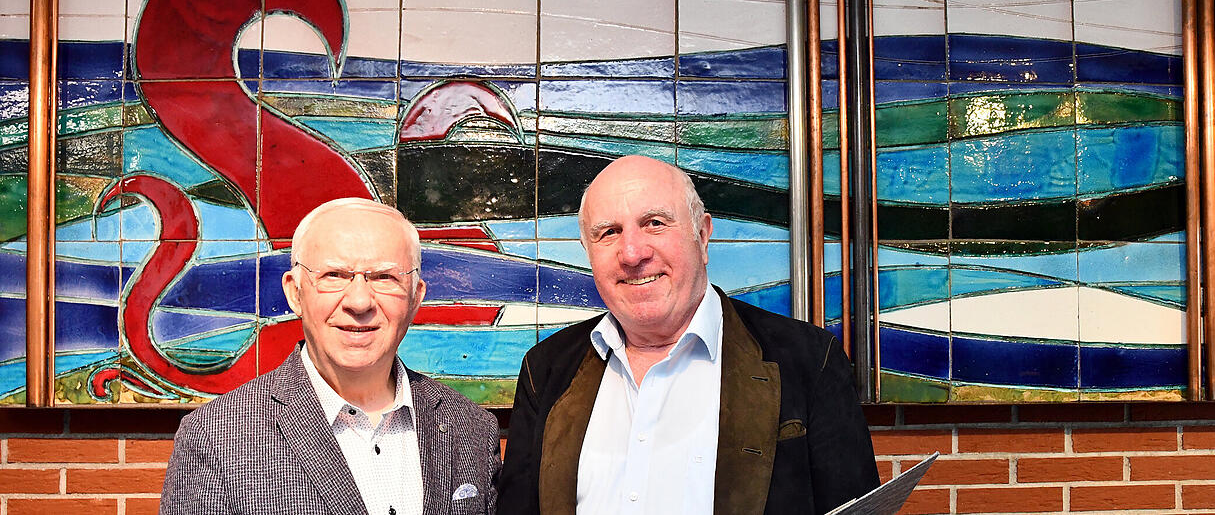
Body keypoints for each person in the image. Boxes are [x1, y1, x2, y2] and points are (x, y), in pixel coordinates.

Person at [497, 156, 878, 515]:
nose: (632, 253)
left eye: (654, 223)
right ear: (587, 251)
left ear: (703, 234)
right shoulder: (545, 369)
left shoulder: (809, 359)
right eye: (609, 233)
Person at [161, 198, 500, 515]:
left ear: (415, 297)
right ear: (295, 293)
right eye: (334, 276)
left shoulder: (471, 428)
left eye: (384, 277)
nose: (359, 302)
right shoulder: (217, 436)